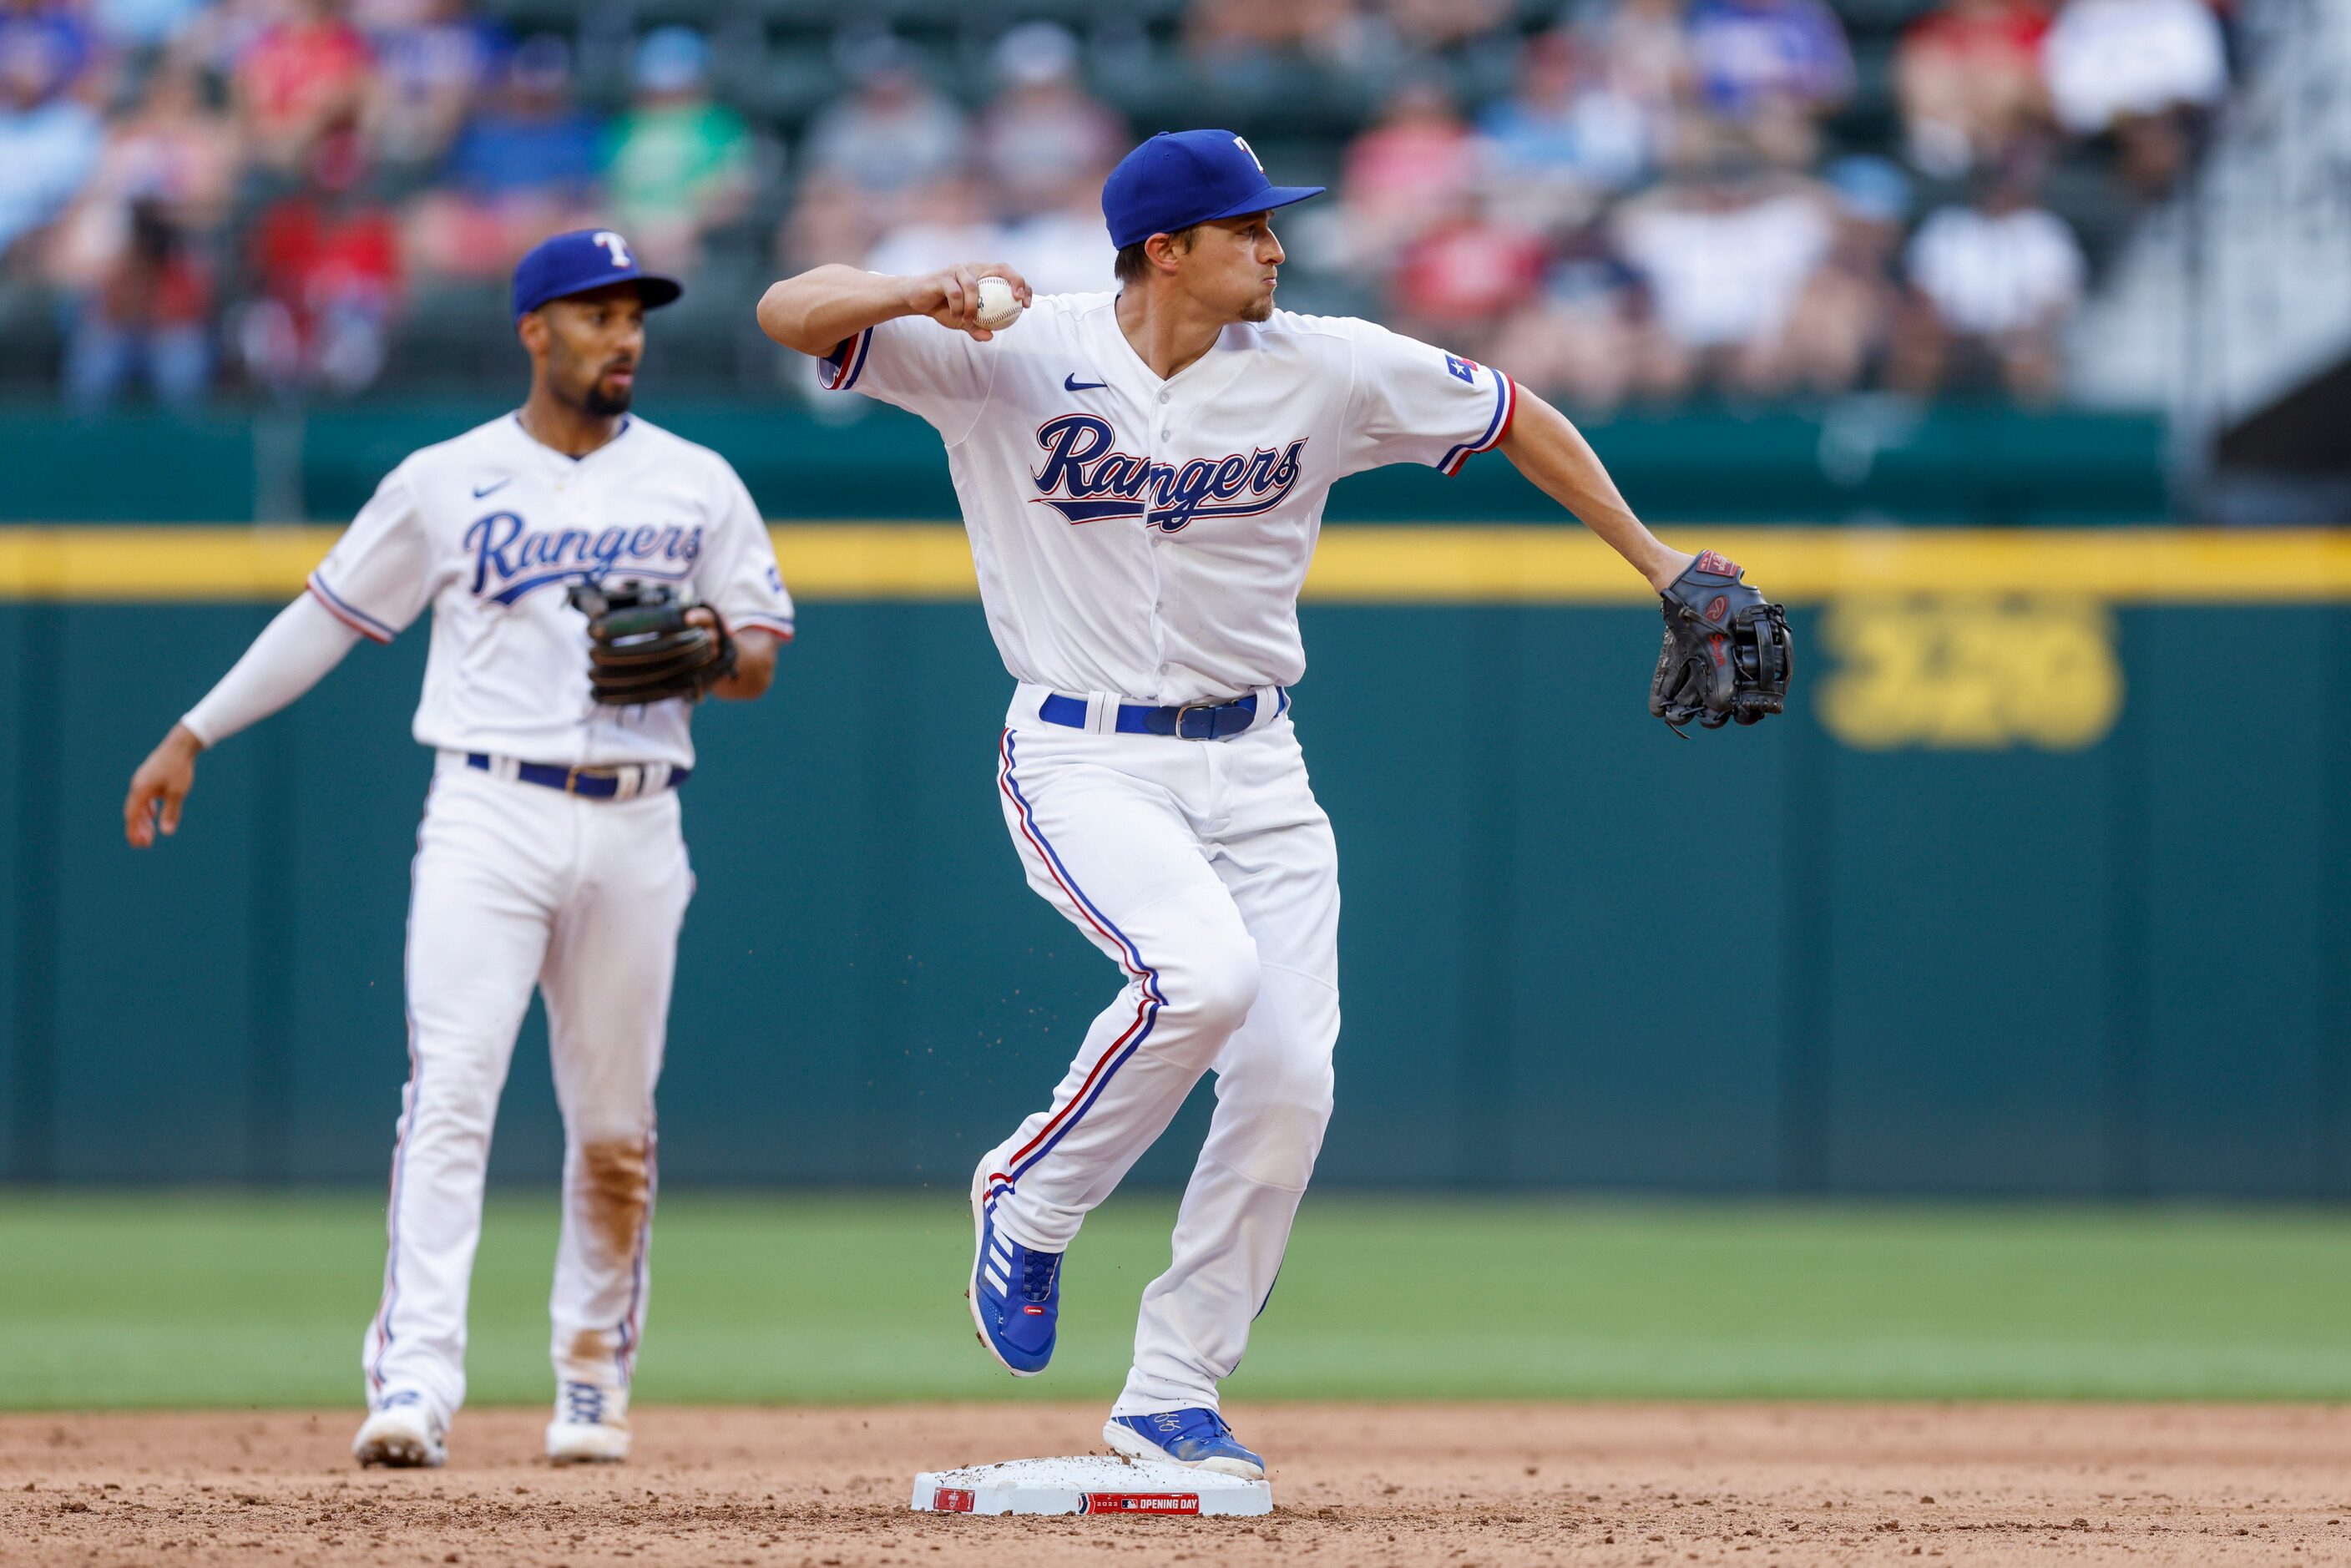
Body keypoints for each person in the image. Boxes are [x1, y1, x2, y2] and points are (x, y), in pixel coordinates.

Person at [756, 129, 1760, 1477]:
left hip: (1260, 766)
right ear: (1167, 249)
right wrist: (908, 290)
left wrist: (1661, 562)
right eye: (1251, 229)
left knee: (1291, 1079)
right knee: (1204, 976)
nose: (1279, 248)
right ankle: (1028, 1195)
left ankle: (1172, 1385)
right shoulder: (1008, 351)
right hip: (1084, 752)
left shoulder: (1329, 365)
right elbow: (785, 310)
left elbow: (1515, 413)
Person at [124, 229, 795, 1469]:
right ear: (534, 329)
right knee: (450, 1092)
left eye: (636, 316)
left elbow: (757, 652)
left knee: (613, 1119)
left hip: (642, 813)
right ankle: (418, 1380)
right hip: (488, 810)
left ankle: (591, 1374)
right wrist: (195, 729)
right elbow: (324, 617)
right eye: (597, 316)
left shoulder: (698, 481)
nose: (626, 336)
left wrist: (708, 648)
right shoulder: (447, 479)